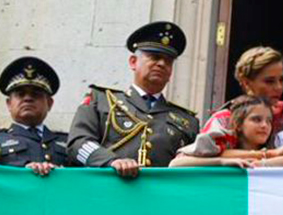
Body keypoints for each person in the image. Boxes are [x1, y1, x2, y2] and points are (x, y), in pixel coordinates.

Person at [68, 21, 199, 178]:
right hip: (110, 188)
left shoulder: (188, 121)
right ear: (133, 62)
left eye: (168, 61)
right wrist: (110, 161)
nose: (162, 64)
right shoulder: (102, 100)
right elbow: (77, 144)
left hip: (161, 192)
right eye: (155, 57)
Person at [180, 46, 283, 160]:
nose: (278, 87)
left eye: (281, 80)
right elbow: (195, 156)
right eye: (269, 81)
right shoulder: (225, 120)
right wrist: (267, 154)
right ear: (246, 83)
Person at [0, 57, 68, 190]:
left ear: (49, 103)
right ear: (9, 104)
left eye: (36, 94)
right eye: (20, 94)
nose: (28, 98)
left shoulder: (69, 142)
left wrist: (60, 174)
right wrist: (23, 170)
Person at [171, 97, 283, 168]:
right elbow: (176, 164)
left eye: (269, 121)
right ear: (239, 125)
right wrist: (222, 162)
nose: (265, 125)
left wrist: (262, 162)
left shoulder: (274, 150)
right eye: (256, 119)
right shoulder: (217, 147)